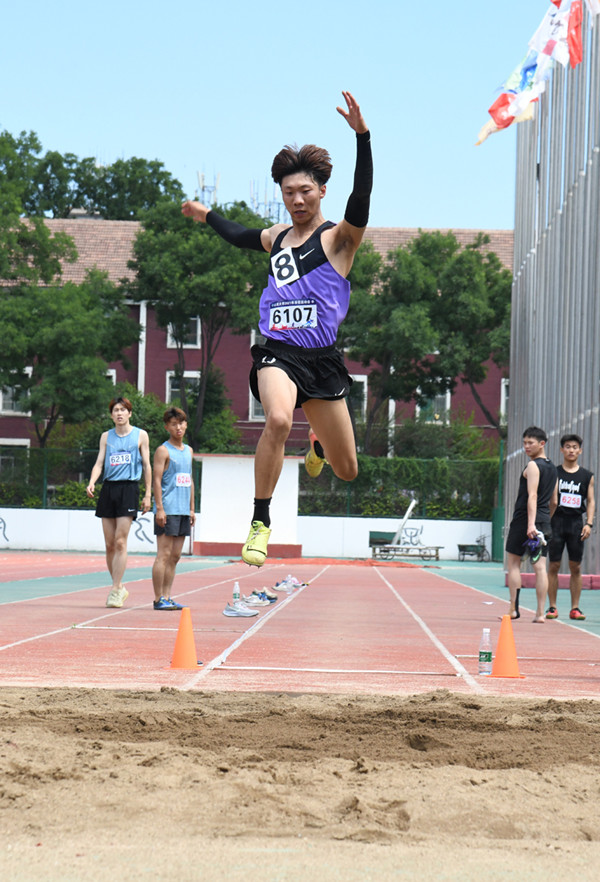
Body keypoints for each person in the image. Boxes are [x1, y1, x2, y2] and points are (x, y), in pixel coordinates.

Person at [182, 90, 372, 568]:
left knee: (348, 471)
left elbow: (362, 196)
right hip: (277, 352)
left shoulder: (340, 240)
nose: (297, 199)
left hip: (322, 361)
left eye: (305, 191)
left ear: (321, 191)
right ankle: (261, 520)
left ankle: (319, 445)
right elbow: (238, 234)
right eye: (288, 193)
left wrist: (362, 138)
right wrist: (206, 216)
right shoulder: (277, 238)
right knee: (279, 419)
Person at [86, 397, 152, 608]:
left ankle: (115, 588)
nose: (119, 413)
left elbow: (147, 466)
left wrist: (148, 494)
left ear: (129, 413)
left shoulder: (140, 435)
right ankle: (118, 586)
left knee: (121, 541)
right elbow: (99, 463)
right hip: (108, 488)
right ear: (111, 414)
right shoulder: (106, 437)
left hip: (129, 488)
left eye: (123, 410)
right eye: (116, 410)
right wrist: (92, 481)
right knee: (109, 544)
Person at [505, 426, 558, 623]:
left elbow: (532, 495)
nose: (526, 446)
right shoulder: (553, 468)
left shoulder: (533, 466)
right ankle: (540, 613)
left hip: (524, 521)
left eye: (531, 443)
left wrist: (530, 524)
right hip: (544, 520)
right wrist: (545, 520)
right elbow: (554, 501)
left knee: (514, 563)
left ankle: (513, 608)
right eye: (524, 442)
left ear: (542, 444)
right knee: (540, 567)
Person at [545, 434, 595, 621]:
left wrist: (589, 523)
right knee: (554, 565)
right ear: (561, 450)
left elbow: (590, 501)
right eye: (568, 446)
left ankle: (575, 608)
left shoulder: (586, 476)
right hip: (556, 522)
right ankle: (552, 607)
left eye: (575, 447)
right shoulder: (554, 473)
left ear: (580, 450)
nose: (571, 450)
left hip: (576, 524)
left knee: (576, 566)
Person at [151, 407, 195, 610]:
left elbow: (190, 480)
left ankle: (168, 596)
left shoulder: (189, 450)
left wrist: (192, 509)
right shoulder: (163, 450)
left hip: (183, 511)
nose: (179, 427)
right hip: (167, 510)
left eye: (181, 423)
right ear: (167, 427)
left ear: (186, 424)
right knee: (164, 554)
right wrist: (159, 508)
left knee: (175, 556)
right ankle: (158, 598)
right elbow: (157, 480)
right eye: (174, 424)